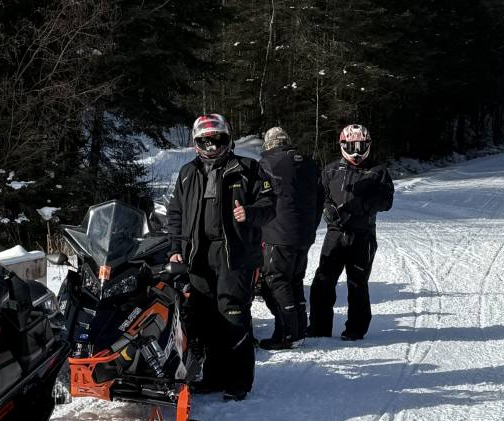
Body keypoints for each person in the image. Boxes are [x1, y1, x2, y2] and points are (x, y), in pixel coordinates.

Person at [167, 113, 276, 400]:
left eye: (218, 140)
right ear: (196, 142)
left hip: (235, 254)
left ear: (228, 139)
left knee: (233, 314)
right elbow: (175, 214)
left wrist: (250, 212)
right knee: (204, 317)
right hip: (198, 255)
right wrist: (175, 248)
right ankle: (213, 376)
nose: (212, 146)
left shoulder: (248, 168)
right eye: (206, 141)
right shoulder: (187, 173)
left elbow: (269, 204)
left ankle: (239, 381)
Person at [307, 123, 394, 342]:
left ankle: (356, 328)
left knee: (357, 283)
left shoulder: (378, 171)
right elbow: (320, 194)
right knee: (323, 280)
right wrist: (328, 208)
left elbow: (386, 200)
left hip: (362, 234)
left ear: (368, 145)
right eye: (351, 147)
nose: (356, 152)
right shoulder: (331, 170)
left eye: (360, 146)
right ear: (343, 145)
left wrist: (361, 205)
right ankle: (319, 326)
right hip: (335, 233)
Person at [257, 126, 323, 349]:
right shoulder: (309, 164)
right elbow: (320, 198)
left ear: (269, 143)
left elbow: (259, 196)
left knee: (275, 280)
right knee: (295, 280)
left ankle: (287, 334)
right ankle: (299, 329)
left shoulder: (267, 163)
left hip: (278, 233)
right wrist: (311, 226)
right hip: (304, 234)